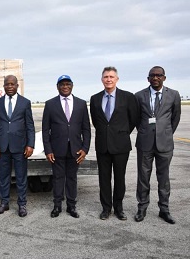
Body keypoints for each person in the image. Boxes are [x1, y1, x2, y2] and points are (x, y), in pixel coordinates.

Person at [90, 67, 139, 221]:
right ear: (102, 79)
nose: (108, 79)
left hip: (121, 145)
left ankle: (118, 208)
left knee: (120, 178)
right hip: (102, 145)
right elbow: (96, 121)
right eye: (106, 77)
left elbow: (133, 119)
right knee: (103, 178)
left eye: (111, 76)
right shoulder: (95, 98)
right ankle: (106, 208)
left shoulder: (128, 97)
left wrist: (121, 133)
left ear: (117, 79)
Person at [134, 66, 181, 224]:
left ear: (164, 78)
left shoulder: (173, 95)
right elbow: (135, 118)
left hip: (165, 144)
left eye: (159, 75)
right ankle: (142, 207)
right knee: (143, 177)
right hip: (145, 143)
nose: (155, 78)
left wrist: (165, 133)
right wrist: (144, 132)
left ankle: (164, 209)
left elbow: (175, 117)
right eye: (152, 75)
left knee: (164, 178)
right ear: (148, 79)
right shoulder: (139, 96)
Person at [42, 75, 91, 218]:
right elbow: (46, 129)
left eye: (67, 84)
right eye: (62, 84)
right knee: (58, 178)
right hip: (57, 149)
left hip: (75, 149)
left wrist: (85, 148)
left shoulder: (81, 104)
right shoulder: (50, 104)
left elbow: (86, 129)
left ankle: (71, 206)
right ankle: (57, 206)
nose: (65, 86)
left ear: (72, 86)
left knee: (72, 178)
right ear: (57, 87)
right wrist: (48, 149)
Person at [0, 75, 35, 217]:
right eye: (7, 84)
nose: (9, 86)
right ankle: (4, 203)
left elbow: (30, 126)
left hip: (20, 146)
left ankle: (22, 204)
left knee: (21, 177)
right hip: (2, 147)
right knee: (3, 176)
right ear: (3, 86)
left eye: (12, 84)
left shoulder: (25, 103)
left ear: (17, 86)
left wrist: (30, 144)